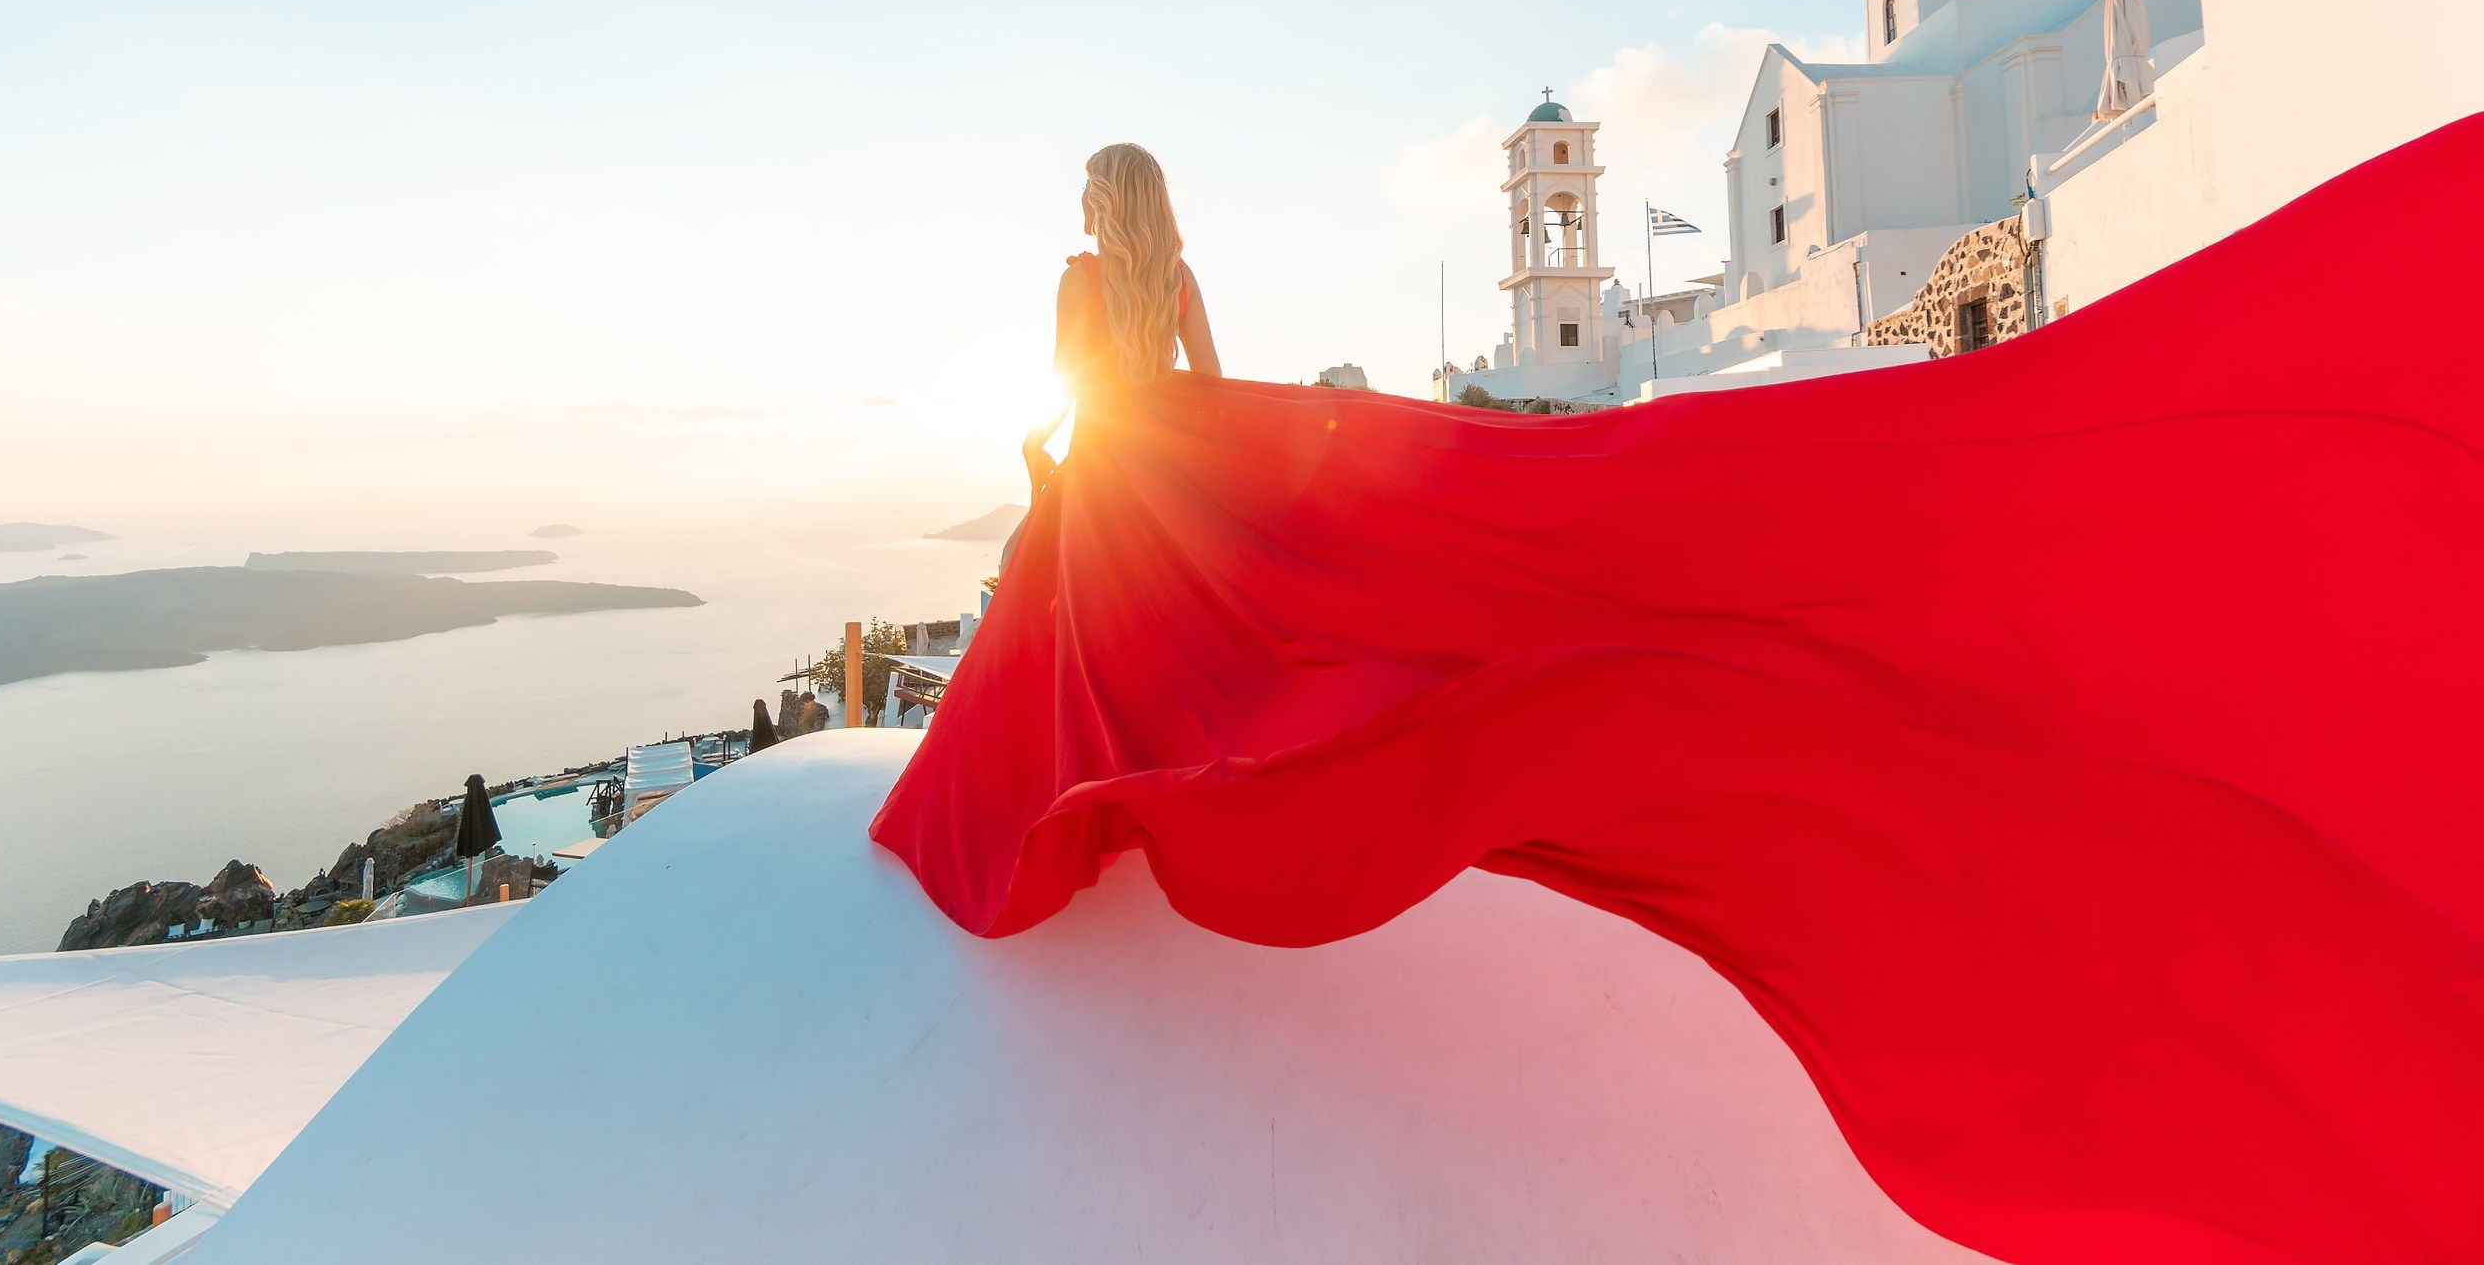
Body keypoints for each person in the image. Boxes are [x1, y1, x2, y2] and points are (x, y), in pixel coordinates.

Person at [876, 113, 2484, 1265]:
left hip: (1113, 493)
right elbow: (1206, 395)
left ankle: (1052, 786)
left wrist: (1050, 483)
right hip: (1188, 483)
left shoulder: (1089, 273)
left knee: (1077, 643)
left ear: (1099, 197)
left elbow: (1088, 402)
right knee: (1202, 652)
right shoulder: (1175, 275)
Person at [1000, 143, 1219, 574]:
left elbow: (1063, 384)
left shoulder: (1080, 279)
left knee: (1017, 563)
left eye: (1087, 185)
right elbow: (1212, 385)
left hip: (1099, 470)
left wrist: (1032, 444)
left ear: (1105, 198)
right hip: (1167, 467)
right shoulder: (1178, 276)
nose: (1081, 195)